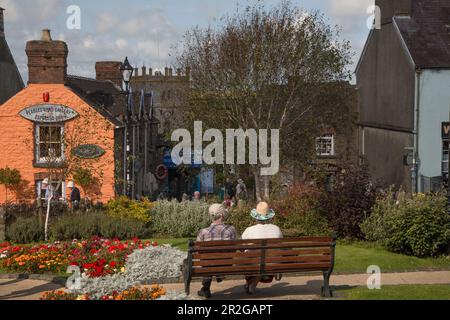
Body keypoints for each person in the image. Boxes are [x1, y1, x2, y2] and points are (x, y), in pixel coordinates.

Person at [196, 204, 237, 298]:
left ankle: (205, 288)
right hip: (227, 263)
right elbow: (236, 246)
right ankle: (219, 274)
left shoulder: (203, 232)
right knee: (215, 260)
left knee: (207, 260)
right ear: (222, 216)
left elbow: (198, 251)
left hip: (208, 264)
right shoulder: (231, 230)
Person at [242, 202, 283, 294]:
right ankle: (266, 275)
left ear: (256, 216)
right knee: (263, 260)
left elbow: (243, 246)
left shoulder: (249, 230)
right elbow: (280, 243)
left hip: (254, 262)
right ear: (269, 216)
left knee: (248, 258)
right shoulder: (276, 228)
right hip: (274, 261)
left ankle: (252, 284)